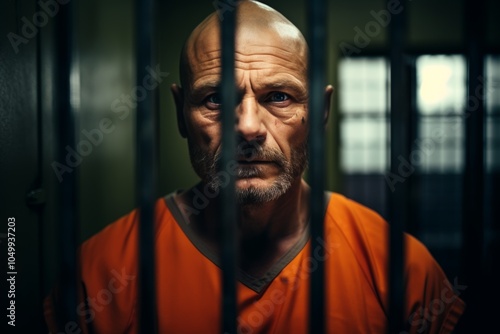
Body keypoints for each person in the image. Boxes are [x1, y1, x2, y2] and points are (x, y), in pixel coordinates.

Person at [44, 1, 465, 333]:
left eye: (279, 96)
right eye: (214, 99)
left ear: (320, 111)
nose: (247, 127)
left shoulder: (401, 269)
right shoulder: (100, 275)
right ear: (179, 114)